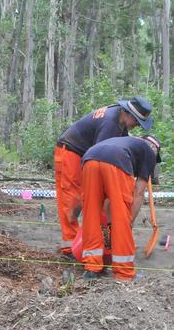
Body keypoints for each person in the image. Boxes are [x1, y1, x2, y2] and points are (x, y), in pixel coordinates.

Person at [54, 97, 153, 256]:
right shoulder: (110, 124)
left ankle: (99, 243)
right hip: (71, 152)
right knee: (72, 199)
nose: (137, 126)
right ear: (129, 115)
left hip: (85, 153)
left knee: (95, 198)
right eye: (137, 122)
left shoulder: (119, 122)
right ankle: (71, 247)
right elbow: (101, 157)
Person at [80, 135, 161, 281]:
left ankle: (91, 268)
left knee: (91, 213)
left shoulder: (125, 143)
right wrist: (128, 221)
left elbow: (106, 198)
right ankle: (124, 272)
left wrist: (110, 224)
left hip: (89, 158)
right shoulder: (149, 153)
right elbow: (139, 193)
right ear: (154, 150)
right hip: (117, 162)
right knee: (122, 217)